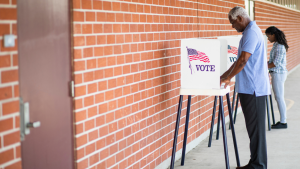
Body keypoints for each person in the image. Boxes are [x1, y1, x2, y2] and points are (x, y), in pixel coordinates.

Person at [220, 6, 270, 169]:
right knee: (254, 130)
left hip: (253, 89)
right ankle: (256, 163)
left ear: (240, 18)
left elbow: (243, 60)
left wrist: (228, 77)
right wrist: (224, 75)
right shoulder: (250, 32)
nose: (232, 26)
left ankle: (258, 165)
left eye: (233, 23)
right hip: (251, 88)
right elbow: (239, 61)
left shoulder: (250, 33)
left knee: (256, 131)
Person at [265, 26, 289, 129]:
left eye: (268, 36)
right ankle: (283, 121)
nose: (268, 38)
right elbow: (272, 62)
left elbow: (275, 63)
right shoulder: (276, 44)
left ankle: (283, 122)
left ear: (273, 34)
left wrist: (262, 66)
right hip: (276, 74)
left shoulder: (279, 46)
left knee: (279, 98)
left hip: (278, 74)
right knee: (278, 97)